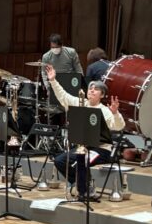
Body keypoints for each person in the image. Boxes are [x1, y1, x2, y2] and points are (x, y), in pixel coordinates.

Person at [46, 64, 125, 197]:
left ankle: (84, 189)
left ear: (102, 95)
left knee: (81, 161)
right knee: (59, 160)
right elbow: (63, 96)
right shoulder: (80, 102)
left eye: (96, 89)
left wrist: (115, 113)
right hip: (83, 146)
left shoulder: (105, 110)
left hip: (100, 149)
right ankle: (81, 185)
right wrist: (53, 80)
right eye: (90, 88)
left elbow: (119, 126)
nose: (92, 91)